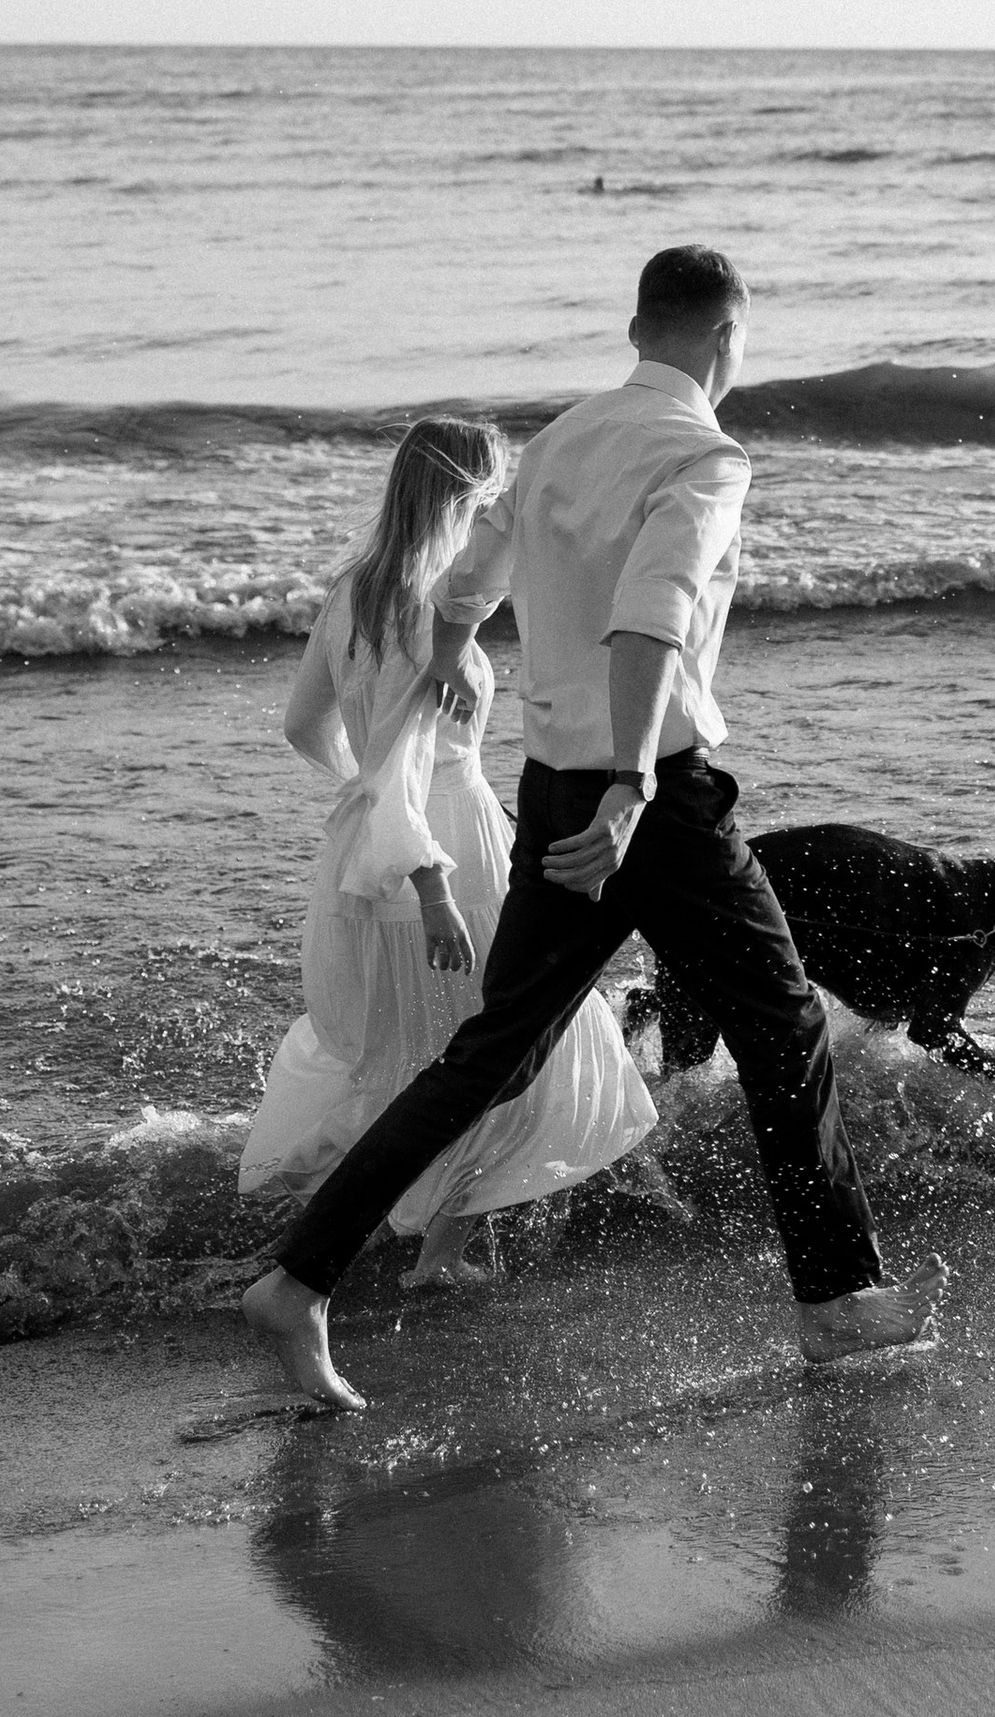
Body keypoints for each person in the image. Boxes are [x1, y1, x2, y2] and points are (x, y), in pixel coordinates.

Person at [244, 247, 930, 1405]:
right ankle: (838, 1301)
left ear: (633, 326)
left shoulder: (563, 437)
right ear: (727, 339)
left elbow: (467, 566)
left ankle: (301, 1278)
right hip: (643, 793)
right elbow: (650, 623)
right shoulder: (707, 455)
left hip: (555, 790)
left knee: (492, 1058)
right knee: (782, 1022)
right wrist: (632, 790)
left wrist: (464, 631)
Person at [238, 418, 656, 1291]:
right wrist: (431, 876)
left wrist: (358, 799)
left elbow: (301, 726)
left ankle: (359, 1243)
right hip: (442, 860)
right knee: (511, 1057)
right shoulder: (440, 611)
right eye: (496, 489)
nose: (506, 504)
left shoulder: (353, 588)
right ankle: (433, 1255)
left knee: (400, 1055)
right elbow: (407, 770)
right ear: (469, 495)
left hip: (359, 862)